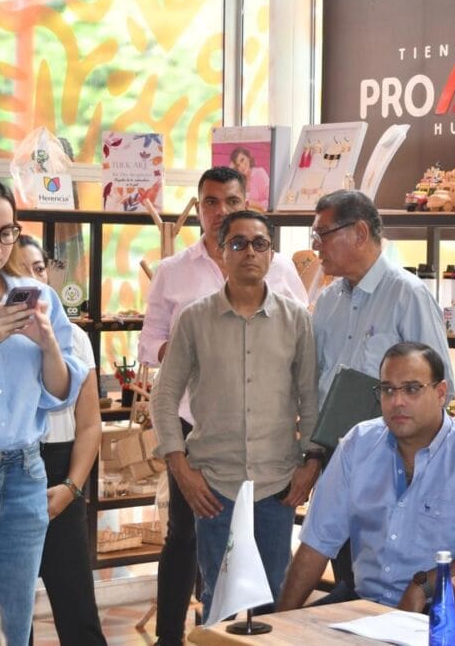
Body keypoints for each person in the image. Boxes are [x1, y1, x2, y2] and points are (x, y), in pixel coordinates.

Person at [137, 166, 306, 646]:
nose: (220, 211)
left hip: (269, 444)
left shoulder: (280, 270)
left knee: (265, 565)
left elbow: (301, 346)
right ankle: (174, 637)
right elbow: (150, 346)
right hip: (196, 429)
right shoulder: (174, 272)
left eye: (230, 201)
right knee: (187, 539)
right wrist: (201, 350)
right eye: (210, 202)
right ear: (199, 209)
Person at [277, 342, 455, 613]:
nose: (397, 402)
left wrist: (426, 584)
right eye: (388, 390)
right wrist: (282, 622)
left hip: (442, 611)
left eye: (412, 389)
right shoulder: (358, 444)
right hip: (363, 605)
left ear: (441, 393)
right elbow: (317, 543)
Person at [309, 190, 454, 593]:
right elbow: (315, 383)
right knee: (347, 581)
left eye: (323, 234)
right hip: (338, 461)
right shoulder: (327, 301)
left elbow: (444, 387)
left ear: (359, 232)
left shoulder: (407, 294)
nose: (316, 246)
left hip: (396, 466)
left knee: (389, 582)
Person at [0, 174, 84, 646]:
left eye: (6, 233)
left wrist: (48, 346)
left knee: (9, 629)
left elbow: (60, 393)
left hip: (23, 475)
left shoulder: (35, 295)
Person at [18, 235, 106, 646]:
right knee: (10, 614)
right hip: (6, 468)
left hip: (62, 470)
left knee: (78, 611)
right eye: (20, 271)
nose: (34, 281)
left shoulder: (74, 337)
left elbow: (89, 425)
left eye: (39, 269)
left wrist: (72, 487)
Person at [229, 147, 270, 211]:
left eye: (242, 160)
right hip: (243, 215)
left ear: (248, 157)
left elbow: (270, 203)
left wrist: (252, 203)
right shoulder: (239, 181)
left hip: (259, 215)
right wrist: (230, 170)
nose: (242, 166)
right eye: (238, 165)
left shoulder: (259, 173)